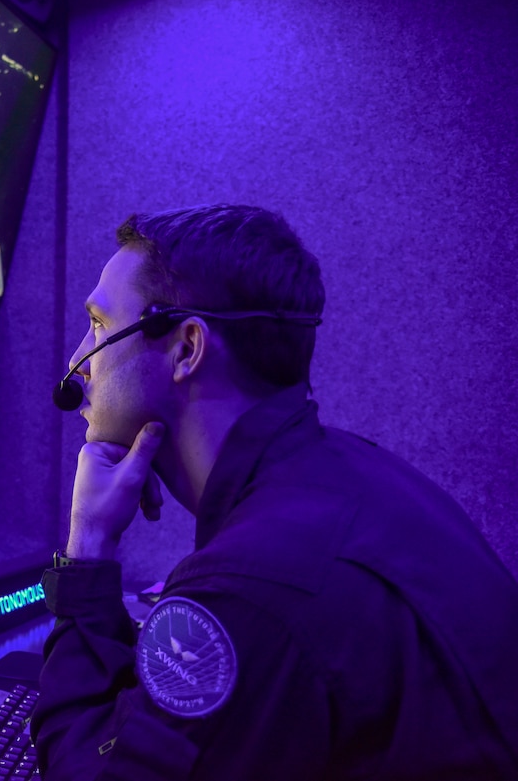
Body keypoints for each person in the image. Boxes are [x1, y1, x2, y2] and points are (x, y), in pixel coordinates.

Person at [32, 204, 518, 780]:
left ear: (187, 348)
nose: (76, 363)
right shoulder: (355, 474)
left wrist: (88, 545)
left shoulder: (250, 587)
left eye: (99, 327)